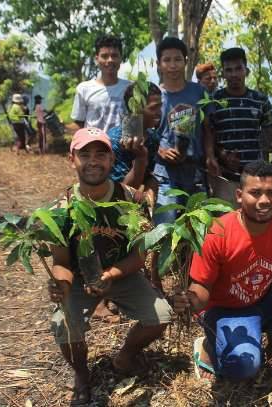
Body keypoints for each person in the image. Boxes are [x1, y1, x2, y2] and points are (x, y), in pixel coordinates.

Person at [48, 127, 173, 405]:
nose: (93, 161)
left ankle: (125, 356)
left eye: (101, 154)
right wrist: (62, 285)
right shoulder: (59, 210)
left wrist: (111, 274)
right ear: (72, 160)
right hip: (79, 279)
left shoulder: (132, 200)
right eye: (85, 154)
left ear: (112, 159)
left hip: (122, 274)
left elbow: (139, 255)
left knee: (161, 315)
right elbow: (61, 262)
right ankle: (81, 374)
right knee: (63, 325)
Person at [173, 161, 272, 382]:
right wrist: (188, 300)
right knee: (243, 368)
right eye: (255, 193)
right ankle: (207, 345)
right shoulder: (218, 232)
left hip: (262, 298)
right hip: (225, 309)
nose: (264, 201)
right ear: (239, 195)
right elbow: (202, 288)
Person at [152, 37, 218, 225]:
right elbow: (147, 132)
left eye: (177, 59)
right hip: (164, 173)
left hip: (195, 170)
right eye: (167, 60)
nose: (172, 65)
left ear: (186, 61)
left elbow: (208, 128)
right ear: (159, 64)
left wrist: (210, 155)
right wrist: (160, 150)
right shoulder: (154, 94)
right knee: (166, 227)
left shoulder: (199, 92)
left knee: (198, 229)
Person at [209, 48, 272, 176]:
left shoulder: (260, 100)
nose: (234, 74)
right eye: (229, 70)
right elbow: (207, 136)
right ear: (223, 73)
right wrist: (222, 155)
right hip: (224, 175)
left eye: (238, 68)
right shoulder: (214, 101)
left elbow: (270, 133)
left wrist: (271, 142)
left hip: (255, 175)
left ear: (246, 70)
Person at [107, 82, 163, 189]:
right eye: (153, 108)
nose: (159, 113)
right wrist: (141, 159)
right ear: (135, 109)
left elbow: (146, 177)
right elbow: (121, 192)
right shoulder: (115, 141)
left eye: (160, 107)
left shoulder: (153, 138)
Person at [71, 35, 131, 133]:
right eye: (104, 56)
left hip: (122, 147)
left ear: (121, 58)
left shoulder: (130, 88)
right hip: (95, 147)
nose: (110, 60)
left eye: (114, 56)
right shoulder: (84, 89)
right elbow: (79, 123)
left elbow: (136, 121)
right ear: (96, 59)